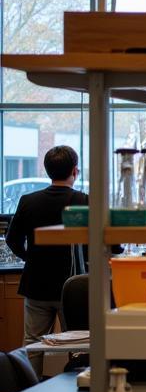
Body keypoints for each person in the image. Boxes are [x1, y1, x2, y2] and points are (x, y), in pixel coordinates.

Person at [5, 145, 87, 344]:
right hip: (71, 286)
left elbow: (12, 239)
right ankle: (73, 376)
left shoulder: (28, 201)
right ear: (75, 171)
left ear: (47, 170)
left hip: (36, 284)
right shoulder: (83, 200)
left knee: (32, 342)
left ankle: (31, 377)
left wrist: (29, 257)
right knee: (77, 342)